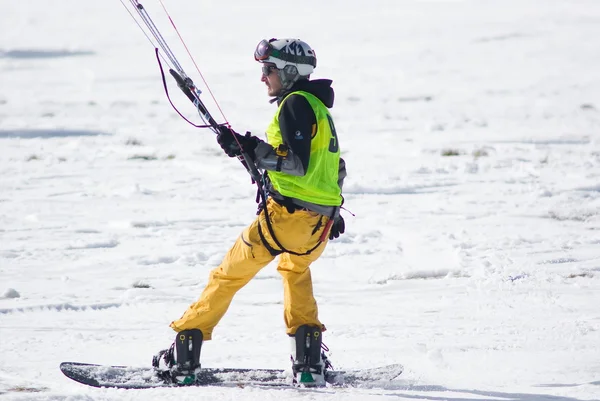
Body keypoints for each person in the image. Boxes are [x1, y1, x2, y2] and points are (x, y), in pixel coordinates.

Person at [153, 38, 347, 387]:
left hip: (286, 219)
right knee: (295, 271)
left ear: (289, 72)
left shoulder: (295, 105)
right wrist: (331, 209)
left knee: (227, 276)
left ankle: (183, 352)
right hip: (318, 224)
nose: (263, 78)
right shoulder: (319, 109)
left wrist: (252, 148)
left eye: (268, 70)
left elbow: (297, 165)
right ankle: (308, 362)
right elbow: (335, 167)